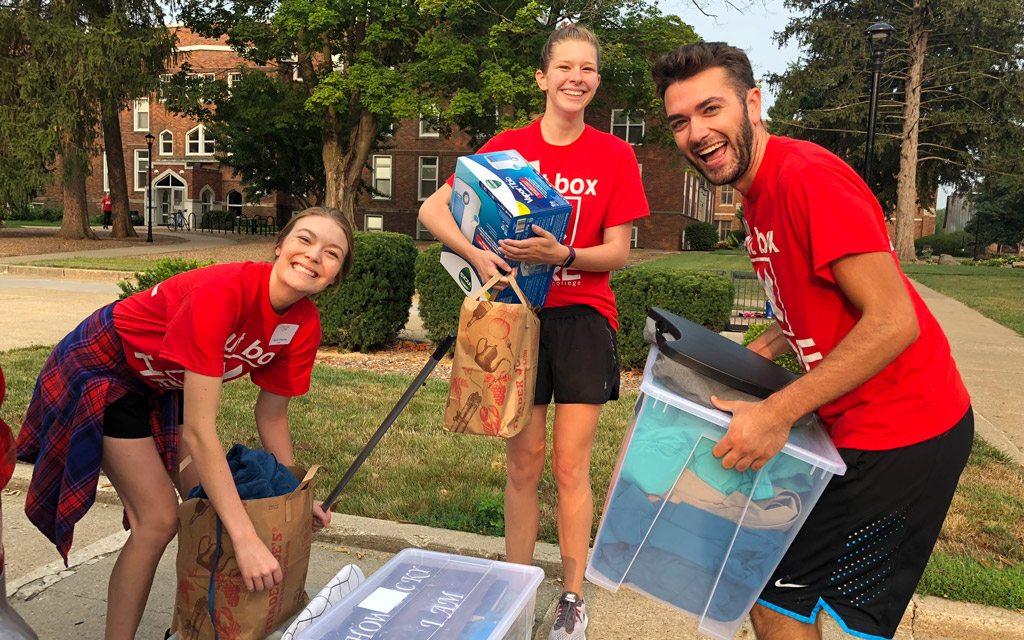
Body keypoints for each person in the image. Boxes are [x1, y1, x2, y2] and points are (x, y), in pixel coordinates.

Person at [650, 42, 973, 640]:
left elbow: (893, 320)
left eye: (711, 109)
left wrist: (778, 411)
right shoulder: (757, 192)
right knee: (770, 589)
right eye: (680, 121)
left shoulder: (806, 179)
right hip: (849, 426)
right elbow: (808, 292)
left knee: (808, 609)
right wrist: (765, 349)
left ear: (753, 102)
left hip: (906, 432)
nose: (697, 132)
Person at [16, 206, 354, 640]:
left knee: (205, 499)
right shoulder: (224, 293)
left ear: (335, 276)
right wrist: (246, 539)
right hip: (107, 365)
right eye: (304, 239)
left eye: (331, 253)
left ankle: (196, 624)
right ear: (279, 245)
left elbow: (271, 414)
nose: (313, 255)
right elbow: (199, 429)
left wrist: (295, 497)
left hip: (164, 380)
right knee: (157, 520)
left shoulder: (303, 324)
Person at [419, 24, 650, 640]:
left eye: (589, 69)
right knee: (523, 464)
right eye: (566, 67)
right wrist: (476, 254)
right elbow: (431, 209)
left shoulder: (614, 155)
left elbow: (620, 253)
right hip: (516, 315)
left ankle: (572, 598)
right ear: (542, 78)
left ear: (597, 81)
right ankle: (515, 587)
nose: (578, 78)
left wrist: (564, 255)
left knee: (571, 467)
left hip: (582, 319)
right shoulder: (508, 147)